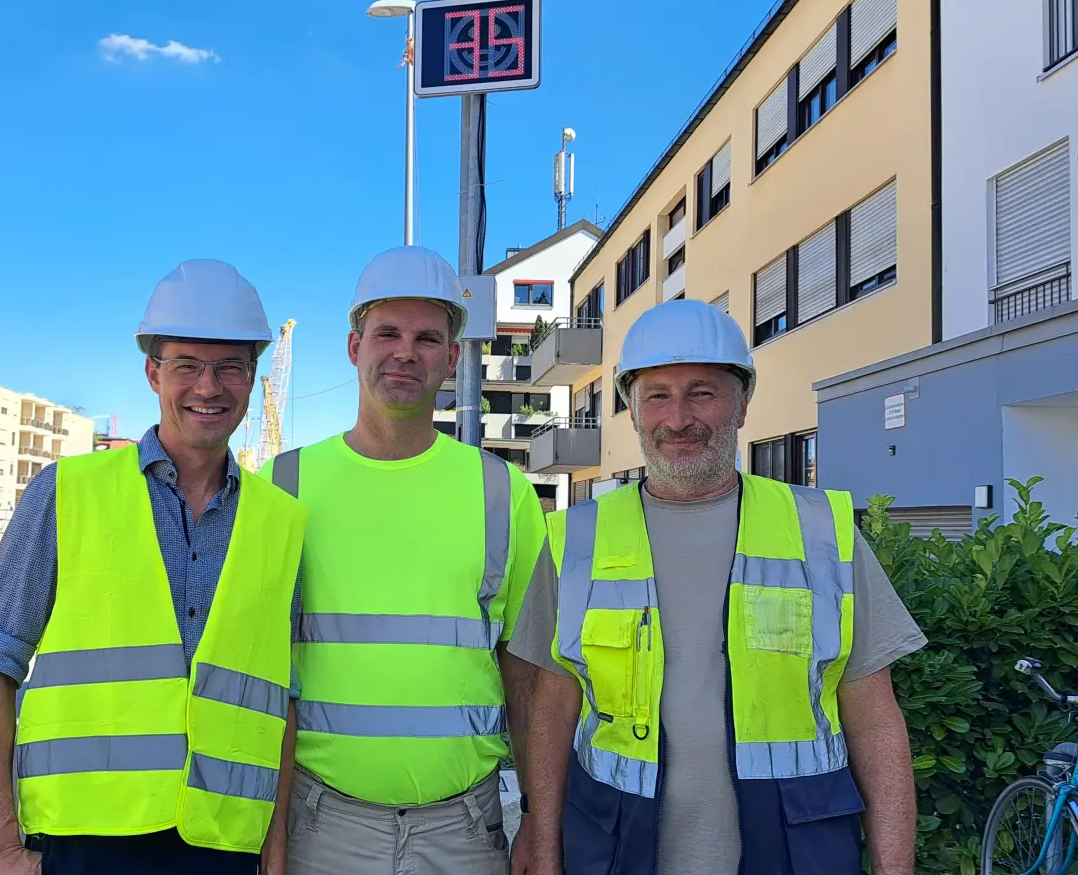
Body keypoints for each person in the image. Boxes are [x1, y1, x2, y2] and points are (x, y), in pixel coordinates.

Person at [508, 298, 926, 875]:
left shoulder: (822, 531)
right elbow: (553, 703)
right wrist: (539, 832)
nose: (679, 418)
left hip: (794, 849)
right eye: (657, 395)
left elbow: (875, 716)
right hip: (616, 848)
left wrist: (894, 866)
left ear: (742, 403)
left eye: (702, 391)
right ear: (632, 410)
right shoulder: (575, 539)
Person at [0, 259, 309, 875]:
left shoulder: (282, 523)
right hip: (82, 845)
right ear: (153, 372)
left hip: (224, 848)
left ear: (253, 378)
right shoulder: (66, 492)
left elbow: (282, 702)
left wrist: (274, 856)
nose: (208, 387)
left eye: (229, 367)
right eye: (187, 366)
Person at [257, 245, 546, 875]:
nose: (405, 352)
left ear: (450, 357)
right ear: (354, 346)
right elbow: (267, 677)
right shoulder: (286, 484)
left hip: (464, 829)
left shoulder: (503, 492)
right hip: (322, 826)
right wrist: (272, 843)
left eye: (427, 337)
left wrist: (540, 830)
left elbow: (530, 677)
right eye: (387, 332)